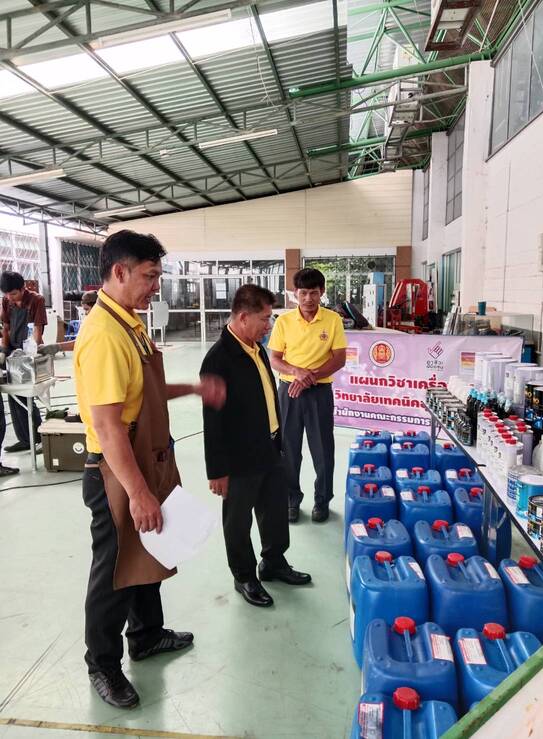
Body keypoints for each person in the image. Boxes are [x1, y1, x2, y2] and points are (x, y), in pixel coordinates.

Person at [74, 230, 225, 709]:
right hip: (116, 472)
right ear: (119, 272)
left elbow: (146, 390)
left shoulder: (130, 324)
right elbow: (108, 427)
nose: (156, 286)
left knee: (149, 551)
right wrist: (138, 493)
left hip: (146, 459)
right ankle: (102, 664)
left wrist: (192, 389)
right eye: (149, 276)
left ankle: (146, 635)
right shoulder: (104, 336)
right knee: (116, 569)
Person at [201, 284, 311, 608]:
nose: (269, 325)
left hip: (270, 447)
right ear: (243, 317)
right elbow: (212, 421)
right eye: (264, 319)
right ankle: (245, 576)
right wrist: (217, 471)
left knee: (274, 510)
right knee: (238, 521)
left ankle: (273, 562)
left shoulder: (257, 349)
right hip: (238, 458)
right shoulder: (217, 360)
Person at [268, 268, 347, 524]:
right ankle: (291, 500)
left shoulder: (333, 320)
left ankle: (322, 501)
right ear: (295, 294)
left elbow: (339, 358)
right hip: (289, 392)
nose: (308, 299)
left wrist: (308, 377)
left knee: (322, 450)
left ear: (321, 292)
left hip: (319, 393)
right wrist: (296, 372)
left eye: (314, 293)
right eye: (303, 293)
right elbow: (275, 359)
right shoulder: (283, 321)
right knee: (288, 449)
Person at [0, 271, 47, 453]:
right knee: (12, 395)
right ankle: (25, 439)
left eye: (13, 294)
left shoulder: (36, 300)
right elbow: (6, 327)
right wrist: (4, 350)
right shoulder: (6, 302)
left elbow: (37, 330)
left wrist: (31, 354)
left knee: (26, 395)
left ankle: (38, 438)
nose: (9, 298)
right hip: (12, 350)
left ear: (23, 288)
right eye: (6, 294)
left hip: (28, 350)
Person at [38, 290, 98, 355]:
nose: (85, 313)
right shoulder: (90, 321)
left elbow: (82, 342)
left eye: (87, 309)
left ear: (96, 307)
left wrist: (58, 347)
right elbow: (81, 341)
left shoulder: (98, 324)